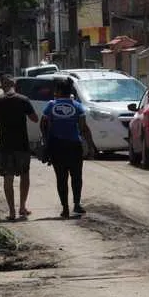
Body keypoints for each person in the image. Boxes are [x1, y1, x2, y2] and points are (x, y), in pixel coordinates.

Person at [40, 77, 95, 218]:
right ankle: (76, 204)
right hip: (74, 146)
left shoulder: (51, 105)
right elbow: (84, 128)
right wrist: (90, 146)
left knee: (61, 178)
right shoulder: (77, 106)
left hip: (57, 146)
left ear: (58, 91)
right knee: (76, 177)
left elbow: (43, 124)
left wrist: (46, 142)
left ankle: (65, 208)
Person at [0, 74, 39, 221]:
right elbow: (34, 118)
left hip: (5, 146)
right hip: (22, 145)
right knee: (24, 175)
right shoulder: (23, 100)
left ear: (2, 86)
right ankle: (22, 207)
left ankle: (11, 212)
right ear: (14, 85)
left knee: (8, 178)